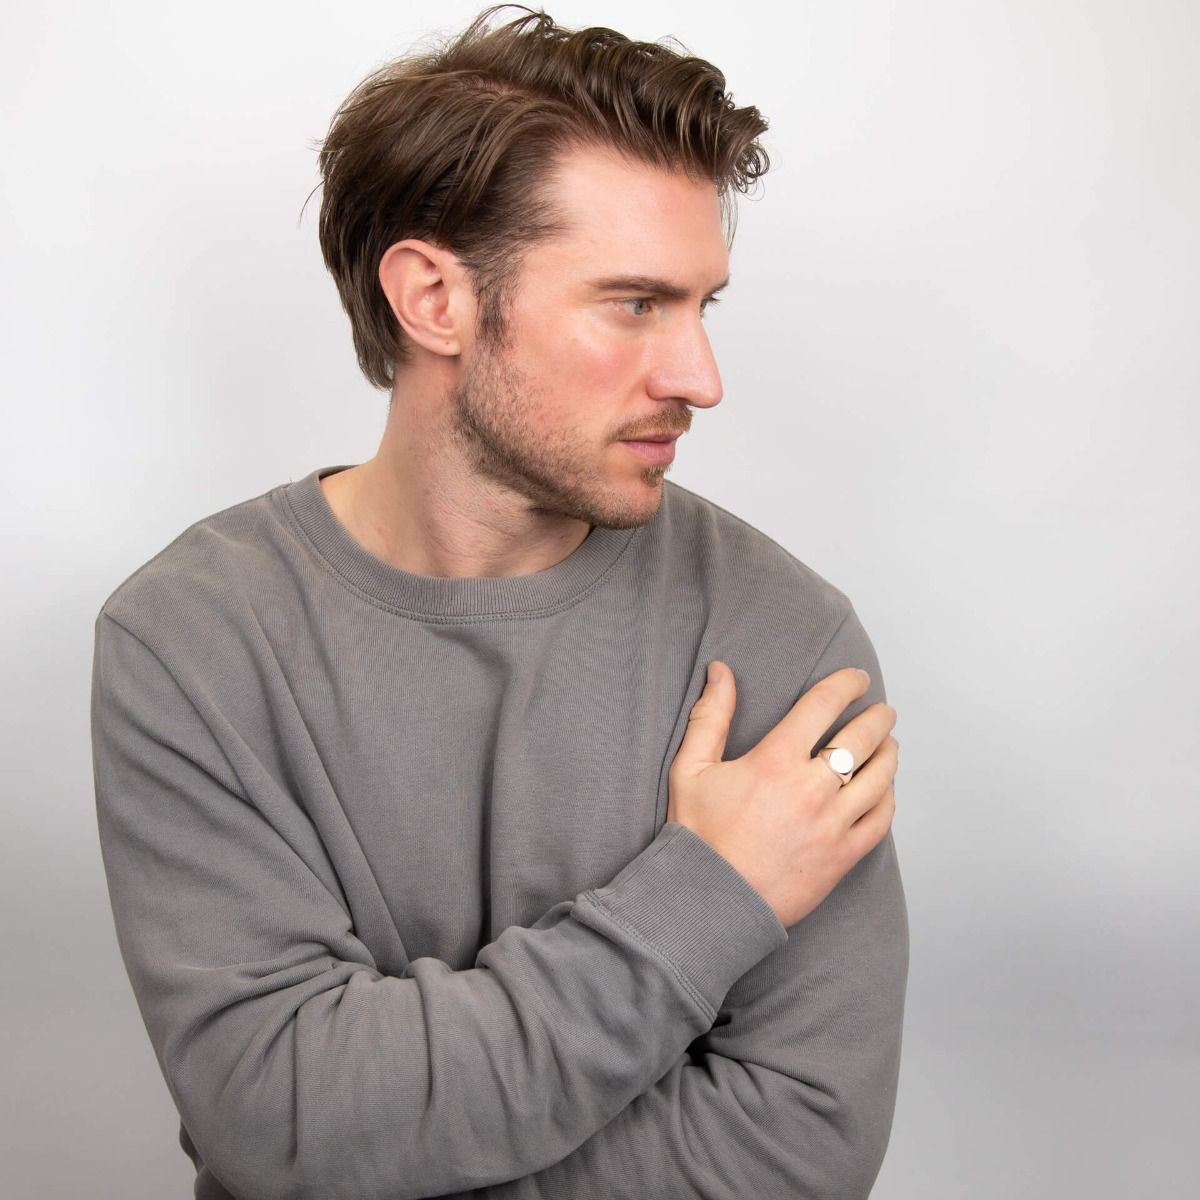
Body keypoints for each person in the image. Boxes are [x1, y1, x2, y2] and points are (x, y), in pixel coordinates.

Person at [90, 6, 907, 1198]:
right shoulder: (193, 642)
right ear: (435, 299)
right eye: (634, 304)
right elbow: (281, 1121)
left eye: (702, 307)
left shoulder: (782, 640)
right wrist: (710, 894)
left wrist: (392, 1144)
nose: (700, 378)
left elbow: (800, 1148)